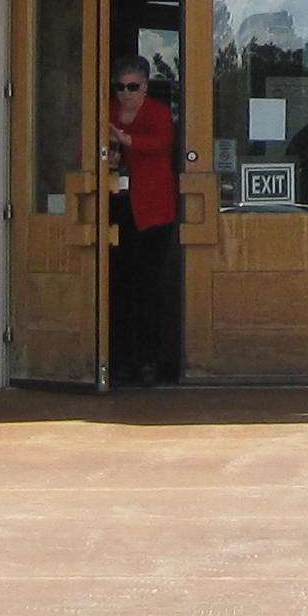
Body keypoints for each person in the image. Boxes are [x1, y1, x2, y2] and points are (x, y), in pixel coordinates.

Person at [102, 60, 182, 389]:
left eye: (132, 87)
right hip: (116, 208)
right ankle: (119, 360)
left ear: (145, 87)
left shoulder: (158, 113)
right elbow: (86, 149)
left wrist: (126, 138)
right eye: (120, 87)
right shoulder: (105, 110)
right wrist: (109, 153)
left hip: (152, 213)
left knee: (149, 287)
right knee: (117, 285)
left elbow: (160, 143)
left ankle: (151, 359)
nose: (125, 94)